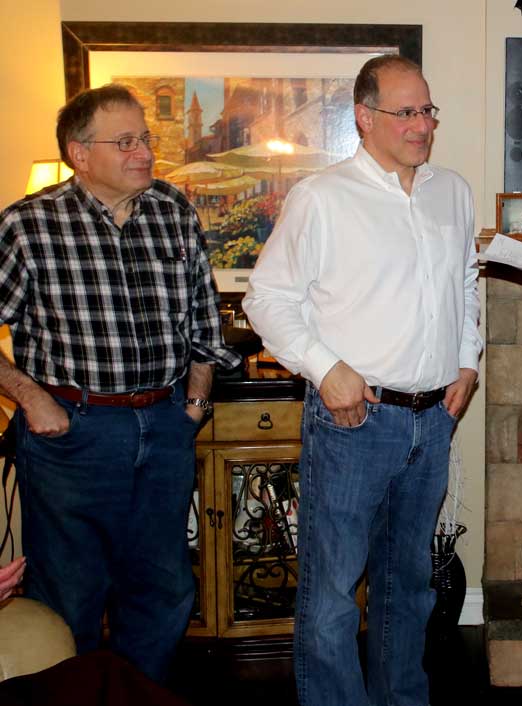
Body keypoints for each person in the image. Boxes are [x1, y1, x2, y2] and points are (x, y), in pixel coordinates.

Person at [242, 55, 482, 706]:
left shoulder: (452, 192)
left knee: (409, 587)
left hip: (431, 423)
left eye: (427, 110)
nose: (421, 124)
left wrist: (468, 359)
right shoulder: (322, 198)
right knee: (331, 594)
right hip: (355, 421)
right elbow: (266, 300)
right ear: (364, 118)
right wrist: (327, 369)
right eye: (406, 112)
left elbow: (464, 283)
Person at [0, 84, 240, 682]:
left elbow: (203, 319)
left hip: (163, 427)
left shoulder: (172, 210)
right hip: (72, 434)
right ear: (80, 154)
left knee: (163, 587)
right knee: (70, 592)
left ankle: (138, 694)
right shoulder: (28, 226)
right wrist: (30, 396)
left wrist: (195, 401)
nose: (144, 152)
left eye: (146, 139)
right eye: (126, 141)